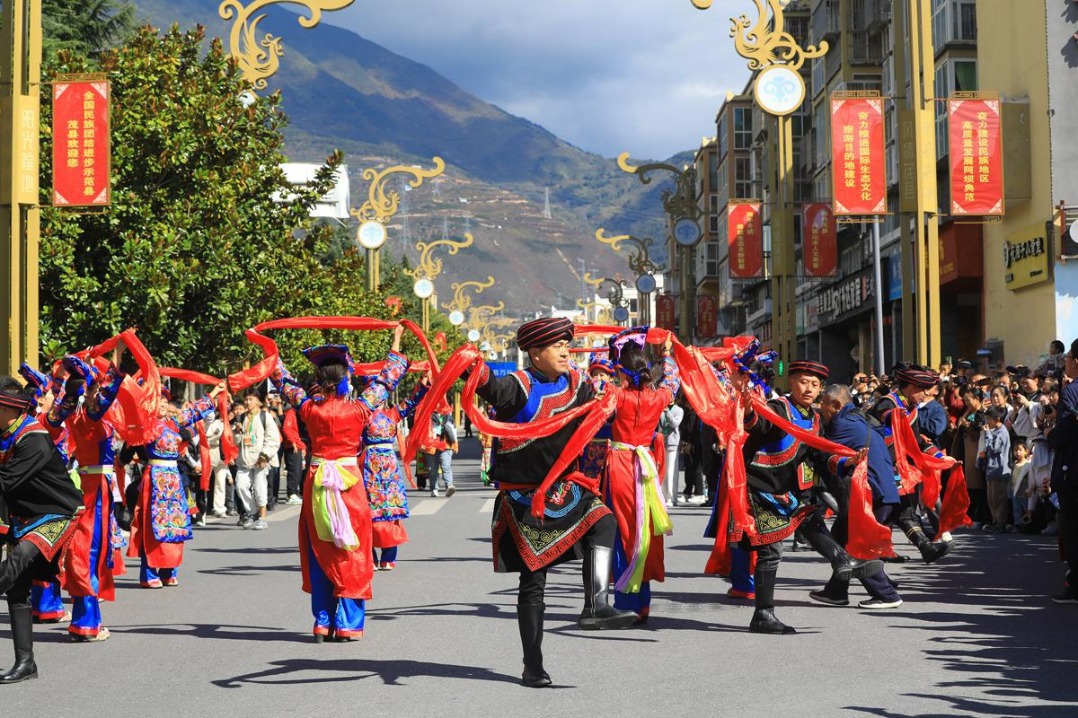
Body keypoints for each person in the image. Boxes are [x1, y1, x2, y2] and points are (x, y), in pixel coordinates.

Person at [474, 316, 637, 688]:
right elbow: (490, 388)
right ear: (534, 353)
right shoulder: (519, 387)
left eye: (567, 343)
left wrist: (607, 400)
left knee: (604, 520)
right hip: (525, 499)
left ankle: (596, 605)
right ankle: (533, 665)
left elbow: (596, 413)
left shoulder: (576, 383)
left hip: (565, 490)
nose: (566, 350)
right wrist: (474, 367)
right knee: (534, 582)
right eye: (556, 345)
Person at [272, 325, 410, 641]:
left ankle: (322, 622)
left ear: (320, 378)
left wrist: (271, 350)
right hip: (349, 484)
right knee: (352, 549)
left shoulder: (308, 407)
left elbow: (283, 380)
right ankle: (348, 623)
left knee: (319, 547)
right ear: (346, 376)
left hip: (317, 480)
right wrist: (397, 340)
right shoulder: (361, 407)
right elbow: (389, 378)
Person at [734, 360, 881, 634]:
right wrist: (747, 404)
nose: (809, 388)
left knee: (810, 518)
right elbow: (756, 424)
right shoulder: (778, 409)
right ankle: (763, 615)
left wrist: (845, 462)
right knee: (771, 552)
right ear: (791, 383)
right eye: (804, 382)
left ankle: (841, 559)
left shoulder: (814, 419)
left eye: (815, 385)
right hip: (759, 487)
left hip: (787, 490)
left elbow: (819, 453)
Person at [0, 376, 83, 683]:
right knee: (18, 590)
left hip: (55, 514)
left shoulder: (32, 438)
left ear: (8, 408)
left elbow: (5, 481)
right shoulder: (4, 433)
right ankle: (26, 664)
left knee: (20, 556)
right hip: (23, 516)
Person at [45, 349, 127, 641]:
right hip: (98, 490)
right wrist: (115, 370)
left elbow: (53, 418)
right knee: (92, 551)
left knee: (83, 550)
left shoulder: (70, 416)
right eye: (97, 385)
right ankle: (88, 623)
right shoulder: (92, 416)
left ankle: (83, 619)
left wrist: (75, 381)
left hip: (84, 485)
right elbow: (111, 389)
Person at [603, 333, 680, 621]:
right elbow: (672, 380)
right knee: (643, 531)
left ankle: (626, 603)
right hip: (646, 466)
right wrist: (667, 354)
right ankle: (643, 602)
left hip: (620, 465)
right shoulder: (658, 397)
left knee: (624, 532)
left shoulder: (616, 396)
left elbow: (590, 388)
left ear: (622, 371)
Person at [814, 384, 903, 609]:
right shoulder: (856, 418)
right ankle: (836, 592)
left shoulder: (843, 425)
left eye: (823, 403)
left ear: (836, 405)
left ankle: (886, 595)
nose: (819, 407)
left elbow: (821, 452)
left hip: (874, 493)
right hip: (880, 490)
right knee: (841, 537)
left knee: (857, 546)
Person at [129, 385, 221, 589]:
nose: (162, 405)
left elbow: (194, 411)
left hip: (174, 480)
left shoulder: (172, 423)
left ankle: (169, 571)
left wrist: (214, 393)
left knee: (176, 525)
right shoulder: (146, 424)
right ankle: (149, 573)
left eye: (164, 402)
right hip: (155, 479)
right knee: (153, 527)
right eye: (158, 402)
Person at [867, 365, 953, 563]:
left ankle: (924, 548)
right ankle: (869, 562)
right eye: (924, 389)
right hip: (880, 469)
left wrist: (941, 458)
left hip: (898, 469)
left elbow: (917, 442)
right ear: (912, 386)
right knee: (882, 515)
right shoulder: (887, 405)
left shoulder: (910, 409)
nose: (927, 394)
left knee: (905, 510)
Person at [362, 367, 427, 572]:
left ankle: (388, 557)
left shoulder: (392, 414)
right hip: (368, 466)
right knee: (368, 512)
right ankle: (370, 557)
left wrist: (423, 383)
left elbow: (411, 402)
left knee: (391, 511)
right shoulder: (361, 415)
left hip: (389, 468)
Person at [1047, 339, 1078, 603]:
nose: (1065, 362)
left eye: (1068, 357)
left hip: (1072, 469)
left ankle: (1075, 584)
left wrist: (1049, 433)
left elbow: (1065, 433)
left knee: (1072, 528)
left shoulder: (1071, 392)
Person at [234, 389, 281, 530]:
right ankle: (252, 513)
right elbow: (237, 442)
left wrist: (264, 455)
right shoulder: (241, 418)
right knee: (240, 486)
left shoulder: (264, 416)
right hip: (244, 460)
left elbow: (273, 438)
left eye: (251, 399)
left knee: (260, 488)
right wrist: (237, 432)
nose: (248, 402)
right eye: (246, 399)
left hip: (260, 460)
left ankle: (262, 518)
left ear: (258, 401)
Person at [981, 406, 1012, 531]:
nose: (987, 422)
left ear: (997, 419)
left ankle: (1000, 523)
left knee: (999, 498)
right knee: (992, 498)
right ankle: (995, 521)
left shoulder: (1002, 432)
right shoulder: (996, 431)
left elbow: (994, 448)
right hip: (992, 469)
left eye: (989, 419)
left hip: (999, 470)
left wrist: (987, 434)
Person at [423, 404, 456, 498]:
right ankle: (434, 488)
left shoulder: (447, 414)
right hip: (431, 446)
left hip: (446, 445)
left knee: (446, 466)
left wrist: (454, 443)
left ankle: (449, 486)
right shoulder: (427, 414)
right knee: (432, 469)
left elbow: (453, 429)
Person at [280, 398, 306, 505]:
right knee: (294, 470)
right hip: (292, 446)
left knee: (298, 470)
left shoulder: (295, 414)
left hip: (297, 445)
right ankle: (291, 494)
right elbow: (286, 428)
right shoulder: (291, 413)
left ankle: (294, 492)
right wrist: (293, 442)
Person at [660, 394, 684, 507]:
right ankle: (663, 495)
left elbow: (674, 423)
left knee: (670, 471)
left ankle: (670, 497)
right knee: (662, 470)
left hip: (672, 443)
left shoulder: (679, 410)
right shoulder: (660, 408)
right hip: (661, 442)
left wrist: (667, 412)